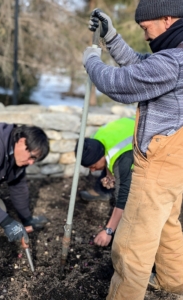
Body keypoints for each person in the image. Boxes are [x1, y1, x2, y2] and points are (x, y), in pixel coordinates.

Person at [82, 0, 183, 299]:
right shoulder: (175, 56)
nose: (145, 35)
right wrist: (111, 38)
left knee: (131, 244)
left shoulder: (172, 62)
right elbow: (143, 66)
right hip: (175, 162)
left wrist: (91, 62)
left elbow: (119, 83)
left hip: (158, 165)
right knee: (167, 228)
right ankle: (173, 285)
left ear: (167, 19)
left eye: (146, 27)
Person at [75, 117, 134, 246]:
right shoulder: (95, 139)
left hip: (157, 142)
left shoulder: (122, 160)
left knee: (132, 191)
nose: (92, 170)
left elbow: (123, 196)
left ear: (101, 156)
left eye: (93, 166)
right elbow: (109, 151)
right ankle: (103, 190)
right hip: (128, 129)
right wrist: (109, 173)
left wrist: (109, 231)